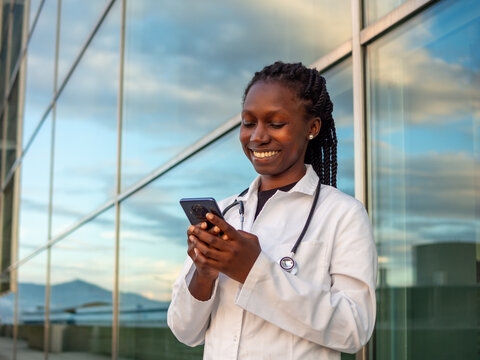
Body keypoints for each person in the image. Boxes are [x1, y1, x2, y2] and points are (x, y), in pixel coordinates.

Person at [167, 61, 377, 360]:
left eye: (275, 123)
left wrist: (254, 271)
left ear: (312, 128)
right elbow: (185, 333)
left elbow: (354, 329)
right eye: (249, 122)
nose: (257, 137)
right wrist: (204, 274)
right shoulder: (226, 212)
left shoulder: (343, 214)